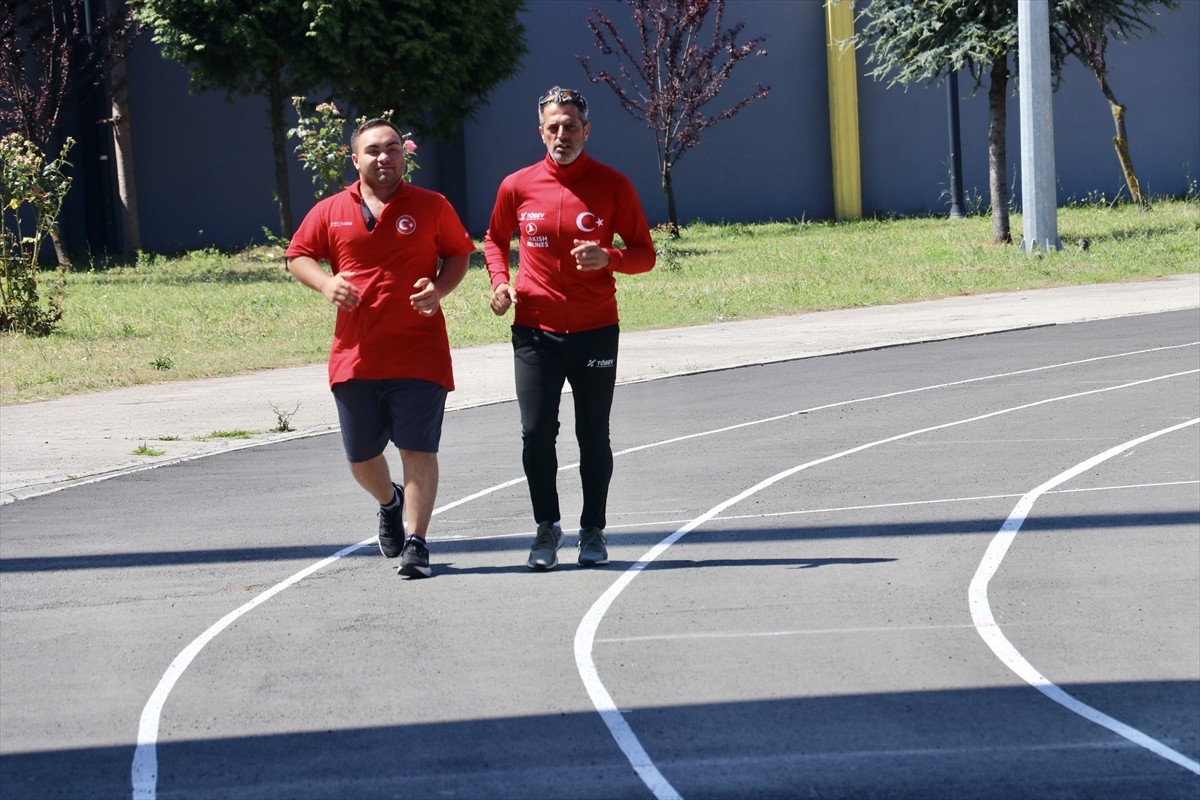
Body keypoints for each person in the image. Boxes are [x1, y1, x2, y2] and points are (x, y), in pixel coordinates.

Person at [286, 118, 475, 579]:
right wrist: (327, 283)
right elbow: (298, 255)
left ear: (403, 155)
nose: (384, 157)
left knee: (419, 450)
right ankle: (389, 503)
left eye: (392, 148)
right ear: (356, 159)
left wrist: (440, 289)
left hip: (420, 352)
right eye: (373, 150)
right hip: (356, 354)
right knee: (361, 458)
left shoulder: (432, 205)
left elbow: (458, 253)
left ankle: (417, 542)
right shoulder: (331, 210)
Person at [483, 86, 656, 571]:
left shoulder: (612, 185)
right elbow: (494, 240)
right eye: (553, 127)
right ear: (541, 132)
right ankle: (546, 527)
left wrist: (611, 257)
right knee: (536, 433)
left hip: (596, 329)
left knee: (592, 435)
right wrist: (500, 284)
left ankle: (593, 530)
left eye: (571, 126)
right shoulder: (517, 186)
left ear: (587, 130)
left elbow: (646, 254)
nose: (563, 135)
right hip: (534, 330)